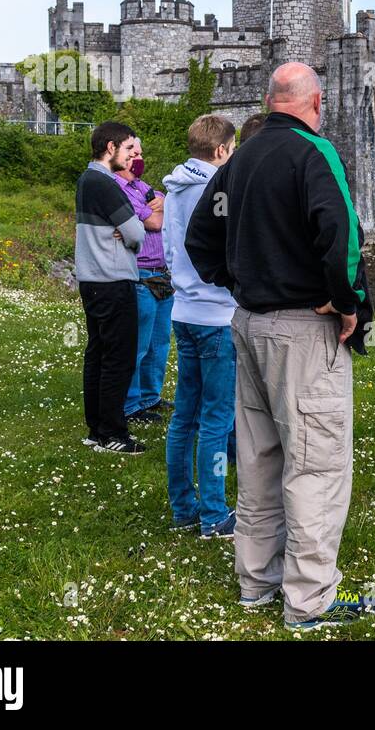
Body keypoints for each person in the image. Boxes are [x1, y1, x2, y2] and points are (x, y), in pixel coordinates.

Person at [186, 62, 375, 630]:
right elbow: (341, 236)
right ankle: (309, 599)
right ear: (315, 103)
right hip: (301, 328)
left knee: (260, 457)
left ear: (271, 101)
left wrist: (242, 281)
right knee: (316, 464)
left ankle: (256, 581)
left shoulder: (239, 157)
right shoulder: (314, 154)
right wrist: (347, 304)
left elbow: (202, 237)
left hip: (247, 323)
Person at [161, 115, 240, 539]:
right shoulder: (220, 187)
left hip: (184, 310)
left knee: (184, 417)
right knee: (217, 418)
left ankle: (183, 507)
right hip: (216, 313)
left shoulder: (173, 188)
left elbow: (171, 248)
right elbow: (229, 248)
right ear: (221, 151)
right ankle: (214, 514)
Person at [75, 122, 147, 455]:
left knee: (99, 355)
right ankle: (114, 434)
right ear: (110, 147)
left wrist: (121, 229)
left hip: (92, 279)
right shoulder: (105, 184)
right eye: (129, 148)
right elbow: (136, 234)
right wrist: (125, 230)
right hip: (112, 279)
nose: (134, 156)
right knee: (118, 358)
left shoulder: (86, 180)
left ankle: (97, 430)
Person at [115, 138, 173, 425]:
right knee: (138, 344)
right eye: (133, 151)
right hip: (140, 273)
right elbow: (155, 222)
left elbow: (167, 211)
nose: (138, 156)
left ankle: (151, 395)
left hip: (162, 273)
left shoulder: (145, 186)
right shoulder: (118, 189)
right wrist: (157, 210)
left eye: (140, 151)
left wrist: (159, 208)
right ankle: (131, 404)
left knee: (160, 341)